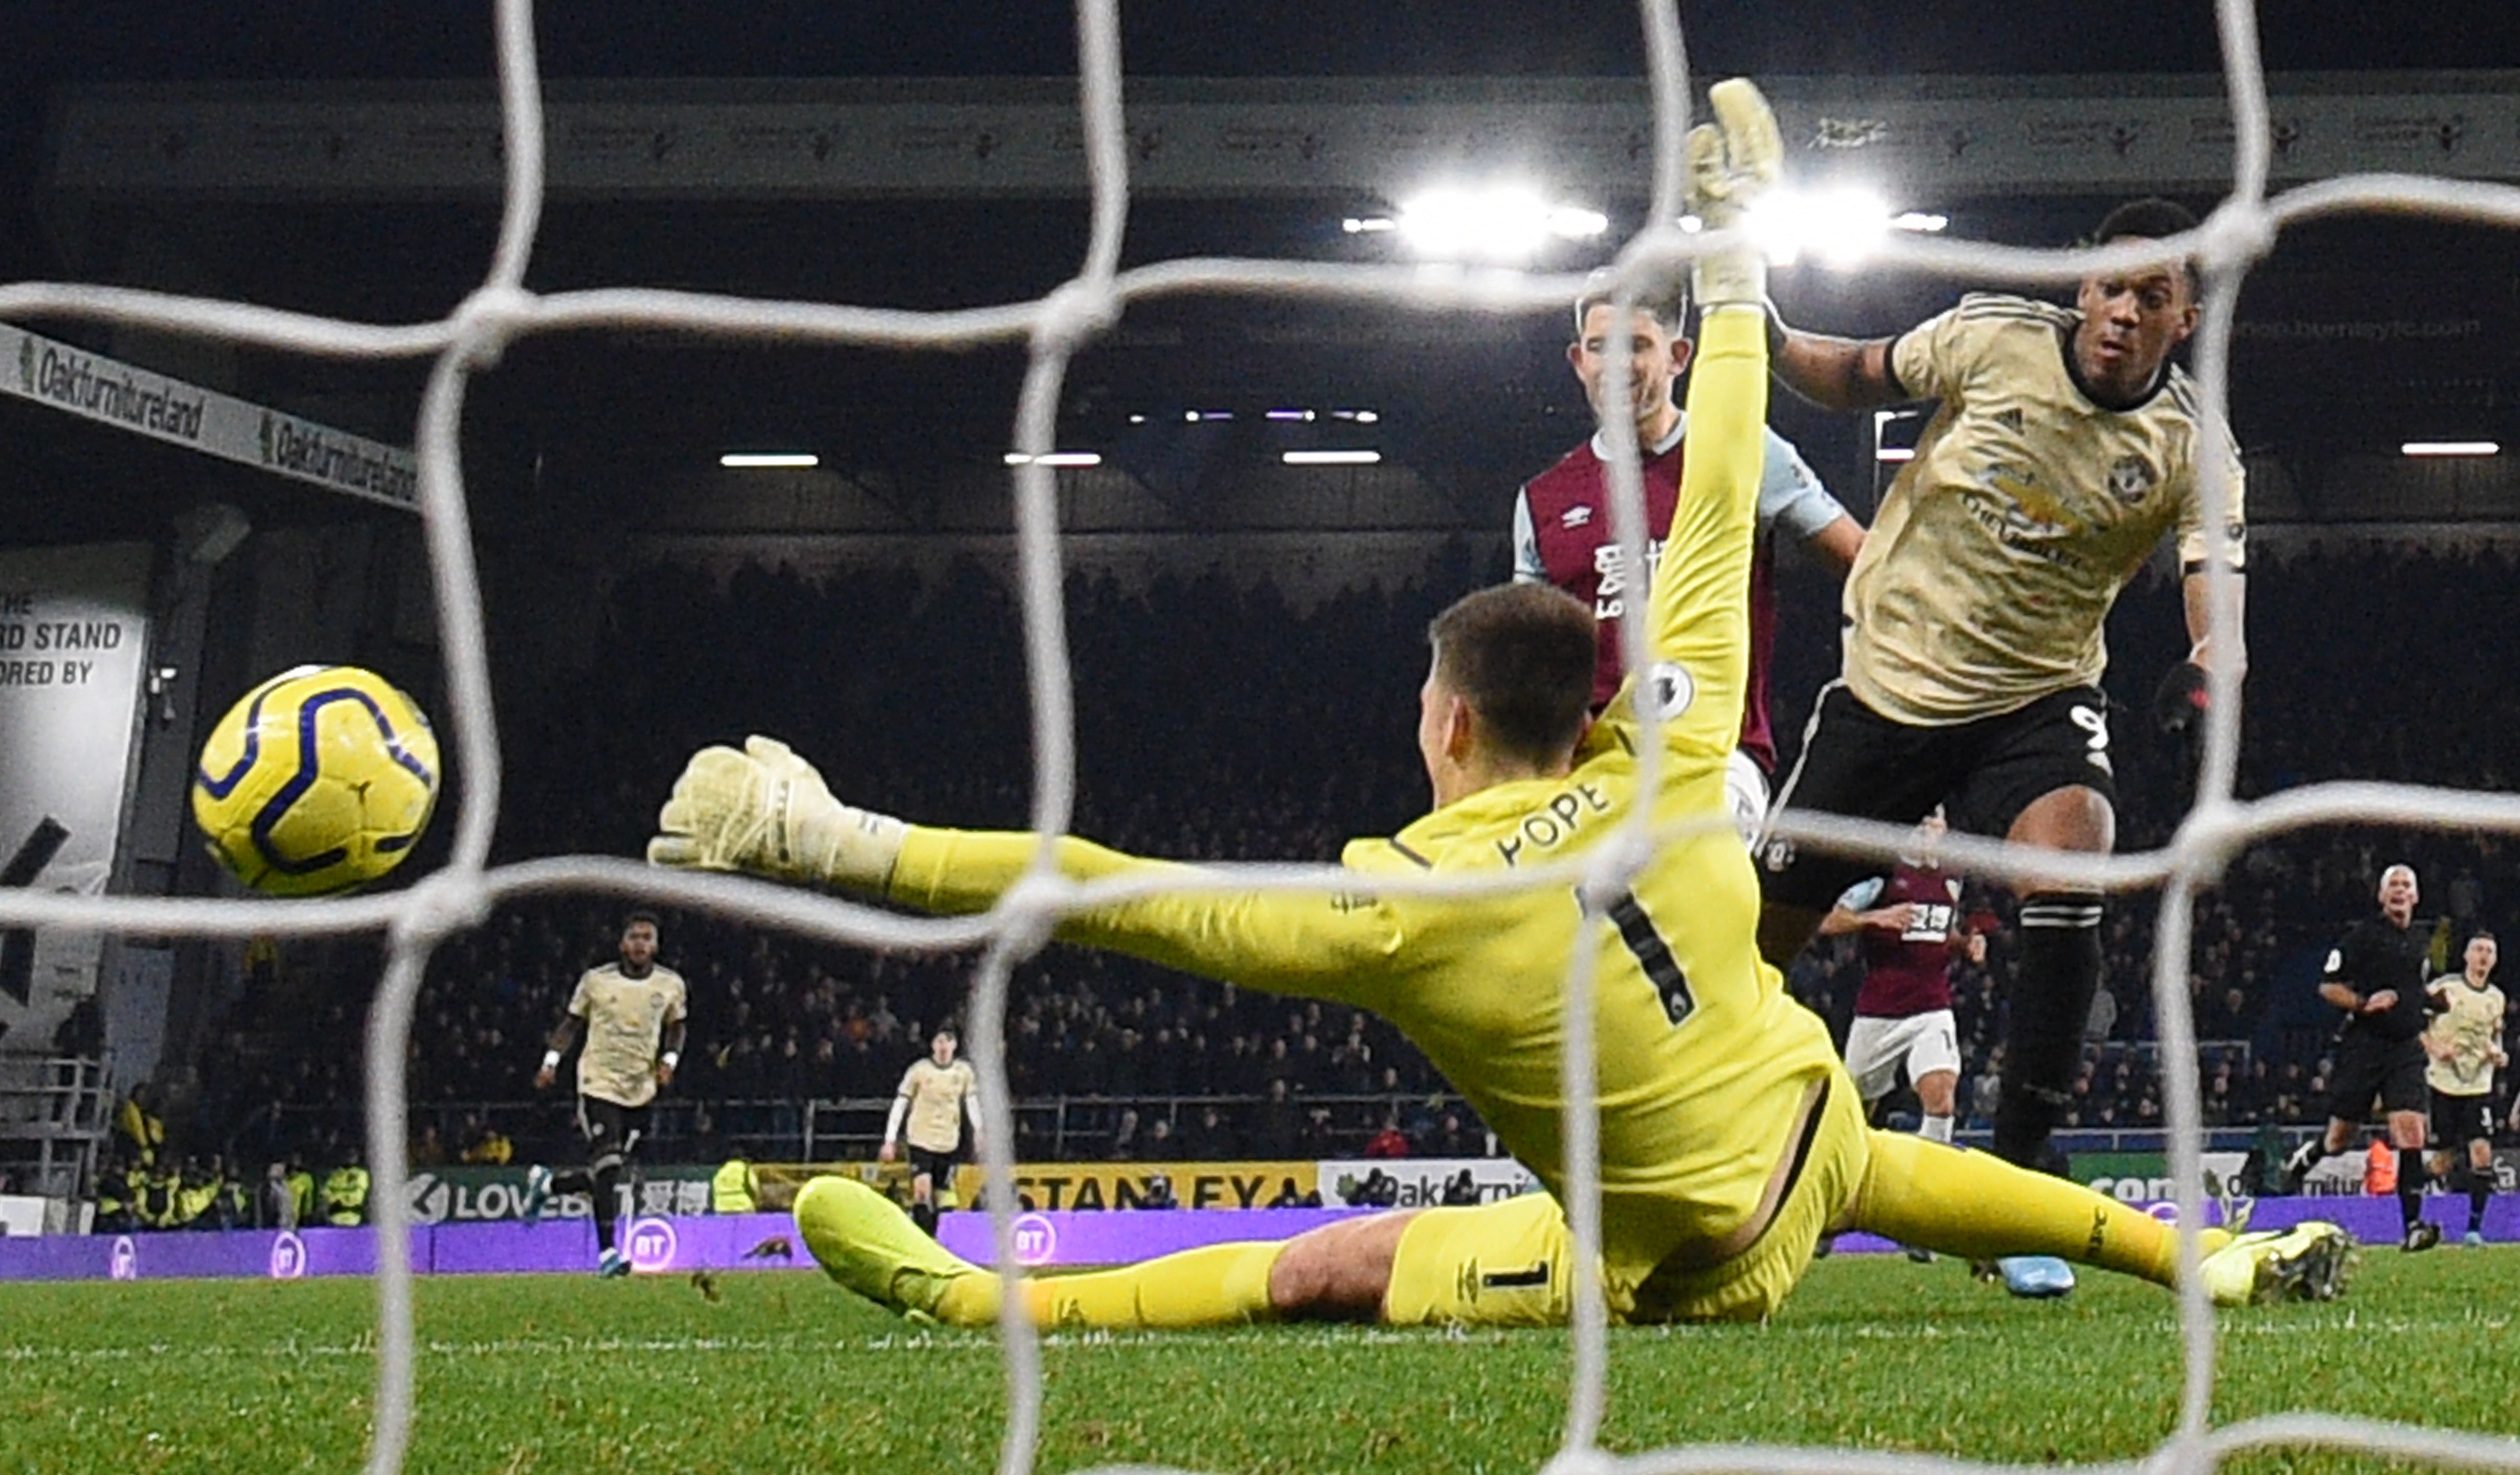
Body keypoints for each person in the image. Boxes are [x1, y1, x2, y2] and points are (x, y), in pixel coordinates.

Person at [648, 81, 2346, 1334]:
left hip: (1679, 1260)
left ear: (1452, 722)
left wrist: (826, 835)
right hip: (1815, 1133)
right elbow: (1716, 495)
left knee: (1325, 1269)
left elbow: (1086, 887)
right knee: (1852, 1115)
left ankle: (985, 1310)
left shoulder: (1401, 905)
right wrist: (1737, 260)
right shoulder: (1679, 753)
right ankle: (2207, 1250)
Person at [1753, 197, 2249, 1187]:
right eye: (2110, 288)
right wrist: (1759, 334)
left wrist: (2205, 662)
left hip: (2033, 701)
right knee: (1760, 934)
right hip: (1888, 689)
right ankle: (1706, 1129)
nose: (2121, 312)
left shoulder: (2192, 446)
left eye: (2150, 297)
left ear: (2182, 320)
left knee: (2076, 869)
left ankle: (2019, 1172)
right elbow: (1850, 374)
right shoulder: (1990, 338)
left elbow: (2218, 592)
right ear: (2081, 287)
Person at [1513, 269, 1864, 840]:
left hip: (1716, 755)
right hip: (1589, 764)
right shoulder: (1543, 498)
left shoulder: (1741, 450)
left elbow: (1858, 559)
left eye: (1638, 346)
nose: (1616, 364)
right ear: (1577, 360)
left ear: (1679, 357)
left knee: (1684, 888)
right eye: (1600, 346)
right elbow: (1526, 647)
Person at [2283, 865, 2439, 1249]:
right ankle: (2309, 1156)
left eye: (2407, 886)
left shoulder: (2421, 939)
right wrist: (2364, 1003)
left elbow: (2416, 988)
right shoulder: (2363, 936)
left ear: (2416, 897)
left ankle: (2414, 1225)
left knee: (2412, 1132)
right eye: (2394, 886)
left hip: (2405, 1048)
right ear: (2382, 897)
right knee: (2340, 1139)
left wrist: (2433, 1004)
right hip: (2364, 1047)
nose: (2401, 891)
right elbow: (2327, 985)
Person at [526, 910, 688, 1277]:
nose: (641, 944)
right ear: (622, 943)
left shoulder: (670, 985)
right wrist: (551, 1061)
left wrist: (670, 1061)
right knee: (609, 1164)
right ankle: (607, 1255)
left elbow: (677, 1026)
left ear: (656, 944)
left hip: (640, 1088)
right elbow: (571, 1023)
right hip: (598, 1083)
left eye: (647, 938)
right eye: (634, 937)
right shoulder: (596, 981)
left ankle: (550, 1184)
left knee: (606, 1172)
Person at [1817, 810, 1987, 1148]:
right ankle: (1847, 1169)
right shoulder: (1882, 873)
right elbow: (1828, 922)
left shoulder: (1953, 876)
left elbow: (1937, 929)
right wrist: (1877, 917)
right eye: (1920, 822)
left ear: (1945, 830)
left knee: (1941, 1100)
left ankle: (1932, 1177)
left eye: (1934, 823)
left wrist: (1965, 943)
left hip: (1932, 1007)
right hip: (1879, 1011)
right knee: (1856, 1110)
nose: (1927, 830)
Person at [2422, 931, 2505, 1247]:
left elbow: (2494, 1035)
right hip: (2442, 1082)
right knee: (2444, 1160)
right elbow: (2415, 1024)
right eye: (2479, 950)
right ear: (2467, 956)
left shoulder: (2496, 998)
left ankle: (2474, 1230)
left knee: (2481, 1152)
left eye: (2490, 951)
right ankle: (2408, 1190)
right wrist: (2434, 1047)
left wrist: (2498, 1053)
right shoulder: (2446, 988)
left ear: (2495, 960)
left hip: (2478, 1085)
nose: (2484, 956)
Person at [881, 1028, 978, 1235]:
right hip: (920, 1140)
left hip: (949, 1143)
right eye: (940, 1042)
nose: (943, 1047)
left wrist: (980, 1131)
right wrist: (890, 1140)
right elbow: (900, 1103)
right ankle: (922, 1242)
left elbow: (971, 1102)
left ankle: (930, 1239)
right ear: (933, 1046)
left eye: (948, 1042)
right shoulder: (919, 1071)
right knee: (921, 1192)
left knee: (940, 1198)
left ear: (954, 1046)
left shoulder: (963, 1073)